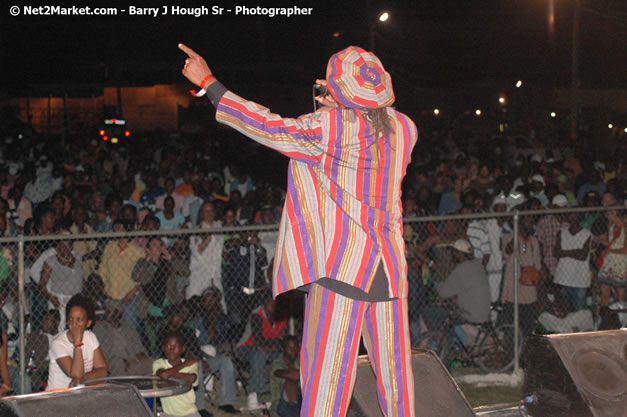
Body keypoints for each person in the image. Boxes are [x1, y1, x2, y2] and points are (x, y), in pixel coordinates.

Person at [180, 44, 417, 417]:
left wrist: (210, 84)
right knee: (396, 380)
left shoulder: (330, 126)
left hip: (343, 271)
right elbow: (357, 134)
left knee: (326, 383)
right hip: (389, 272)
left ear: (338, 88)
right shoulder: (405, 129)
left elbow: (269, 126)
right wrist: (336, 103)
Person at [236, 292, 287, 409]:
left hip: (267, 350)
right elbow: (259, 341)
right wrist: (275, 344)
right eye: (269, 302)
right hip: (246, 348)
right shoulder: (257, 315)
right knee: (259, 354)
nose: (273, 305)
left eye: (276, 303)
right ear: (263, 304)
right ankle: (253, 394)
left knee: (285, 354)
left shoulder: (283, 317)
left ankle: (280, 393)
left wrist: (276, 345)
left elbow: (285, 341)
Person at [47, 294, 108, 389]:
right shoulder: (58, 343)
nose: (74, 324)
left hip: (80, 395)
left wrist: (84, 379)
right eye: (71, 319)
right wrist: (77, 343)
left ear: (88, 323)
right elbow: (76, 374)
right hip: (58, 397)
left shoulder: (90, 337)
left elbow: (102, 370)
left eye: (79, 320)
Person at [153, 330, 200, 417]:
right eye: (168, 346)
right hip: (168, 414)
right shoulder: (159, 363)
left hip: (189, 413)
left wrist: (168, 373)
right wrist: (184, 364)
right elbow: (163, 375)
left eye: (176, 346)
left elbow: (192, 378)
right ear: (163, 348)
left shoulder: (192, 365)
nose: (171, 349)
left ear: (183, 349)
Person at [553, 212, 592, 312]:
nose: (572, 217)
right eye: (569, 214)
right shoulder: (561, 232)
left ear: (580, 216)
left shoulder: (587, 234)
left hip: (580, 279)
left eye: (575, 214)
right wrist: (576, 251)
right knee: (564, 310)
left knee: (579, 311)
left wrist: (564, 252)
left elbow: (583, 256)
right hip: (563, 278)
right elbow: (556, 253)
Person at [270, 336, 301, 417]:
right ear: (283, 349)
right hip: (281, 406)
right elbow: (294, 376)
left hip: (300, 402)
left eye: (295, 347)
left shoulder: (301, 360)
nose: (293, 351)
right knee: (291, 381)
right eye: (289, 348)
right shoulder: (277, 363)